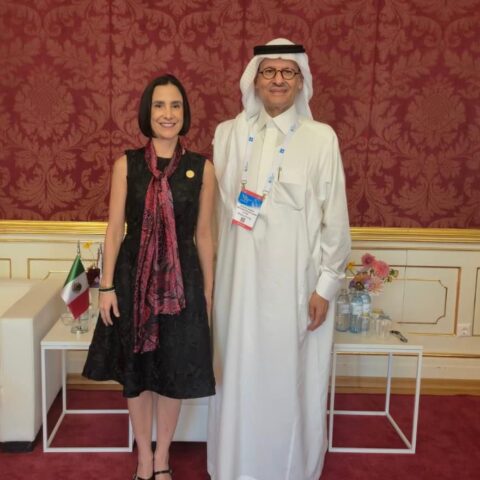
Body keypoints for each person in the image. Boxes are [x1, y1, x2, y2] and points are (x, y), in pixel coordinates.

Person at [207, 38, 351, 480]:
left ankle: (288, 470)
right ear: (254, 79)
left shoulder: (320, 138)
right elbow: (213, 217)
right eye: (269, 71)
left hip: (295, 287)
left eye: (288, 72)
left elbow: (335, 218)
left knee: (289, 380)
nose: (278, 80)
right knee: (236, 376)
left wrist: (326, 286)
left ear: (301, 81)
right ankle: (233, 467)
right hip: (236, 286)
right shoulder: (228, 134)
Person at [83, 74, 216, 480]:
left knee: (173, 371)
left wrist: (209, 293)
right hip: (131, 281)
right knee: (137, 373)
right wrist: (106, 287)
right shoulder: (126, 165)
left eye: (175, 105)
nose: (167, 114)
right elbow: (114, 230)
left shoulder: (202, 168)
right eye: (159, 105)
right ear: (148, 112)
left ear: (184, 113)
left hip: (183, 285)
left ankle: (163, 458)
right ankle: (144, 457)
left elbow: (204, 235)